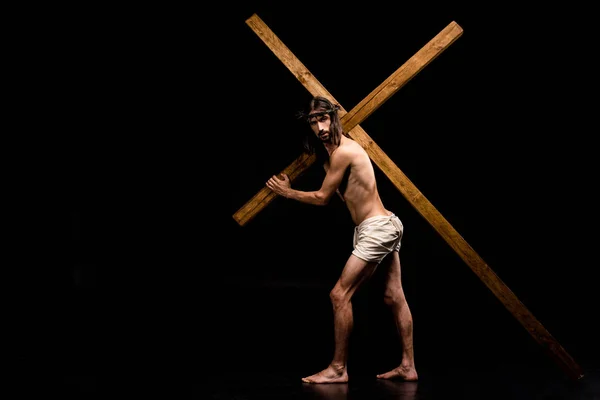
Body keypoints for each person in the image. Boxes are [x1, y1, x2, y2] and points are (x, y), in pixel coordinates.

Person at [265, 96, 418, 384]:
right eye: (314, 121)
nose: (320, 126)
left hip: (378, 228)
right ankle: (408, 367)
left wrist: (288, 193)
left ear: (334, 118)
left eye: (324, 118)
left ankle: (337, 369)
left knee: (339, 294)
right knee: (393, 296)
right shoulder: (332, 156)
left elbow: (323, 199)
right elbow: (339, 193)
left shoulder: (345, 151)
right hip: (379, 226)